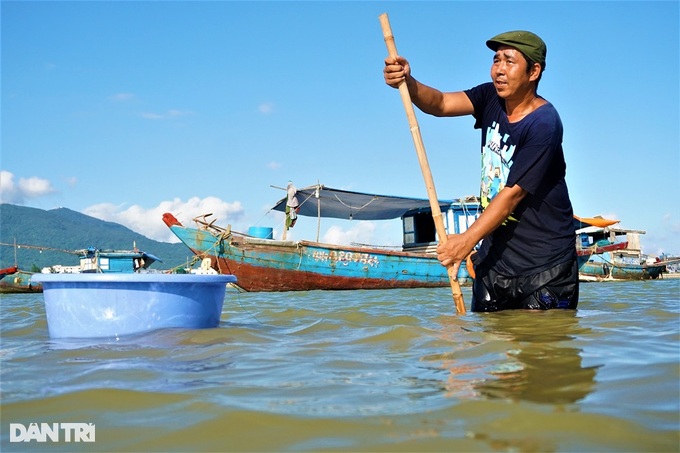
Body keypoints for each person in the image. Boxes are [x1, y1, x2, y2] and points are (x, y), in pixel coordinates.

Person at [384, 30, 578, 312]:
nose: (499, 70)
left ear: (533, 71)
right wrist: (407, 81)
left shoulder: (544, 124)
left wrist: (465, 241)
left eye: (509, 62)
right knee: (486, 350)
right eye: (496, 60)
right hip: (494, 265)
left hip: (546, 269)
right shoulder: (490, 98)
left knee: (542, 350)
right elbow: (440, 103)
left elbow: (512, 195)